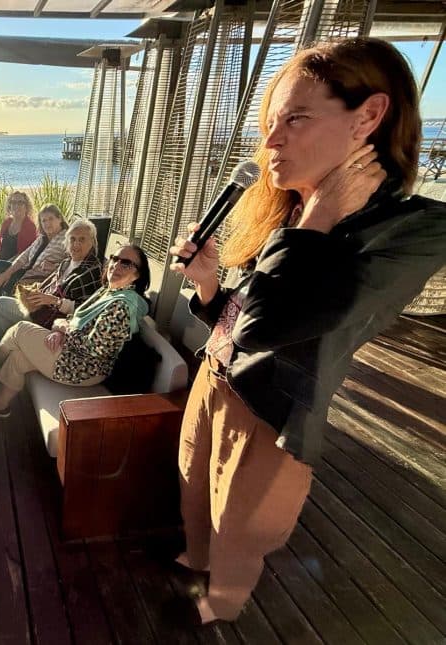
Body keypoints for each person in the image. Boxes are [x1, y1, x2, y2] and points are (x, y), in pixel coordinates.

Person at [167, 37, 446, 626]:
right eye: (270, 123)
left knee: (239, 526)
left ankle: (220, 606)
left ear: (368, 116)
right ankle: (195, 560)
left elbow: (268, 326)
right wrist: (210, 283)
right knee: (193, 482)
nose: (270, 141)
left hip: (269, 410)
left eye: (295, 119)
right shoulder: (288, 209)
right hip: (214, 374)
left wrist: (317, 219)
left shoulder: (411, 231)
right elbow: (241, 314)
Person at [0, 244, 150, 416]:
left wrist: (64, 329)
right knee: (17, 357)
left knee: (20, 330)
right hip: (72, 353)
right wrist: (59, 329)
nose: (116, 265)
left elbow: (95, 350)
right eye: (115, 259)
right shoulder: (109, 292)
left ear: (137, 275)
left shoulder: (121, 306)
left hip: (83, 367)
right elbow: (76, 319)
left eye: (126, 263)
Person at [0, 217, 103, 348]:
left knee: (0, 304)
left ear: (92, 242)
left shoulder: (92, 271)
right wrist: (37, 293)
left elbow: (86, 310)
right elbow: (49, 283)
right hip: (40, 308)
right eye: (72, 239)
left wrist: (55, 301)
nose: (76, 244)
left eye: (82, 239)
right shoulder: (66, 262)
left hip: (52, 321)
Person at [0, 203, 69, 319]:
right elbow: (24, 257)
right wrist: (7, 273)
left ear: (60, 218)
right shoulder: (42, 238)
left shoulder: (66, 239)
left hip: (35, 281)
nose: (47, 224)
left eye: (51, 219)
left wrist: (55, 267)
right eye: (44, 221)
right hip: (25, 272)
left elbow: (71, 265)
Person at [0, 191, 38, 262]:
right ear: (9, 206)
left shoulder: (30, 226)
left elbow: (23, 253)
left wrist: (5, 265)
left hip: (18, 265)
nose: (16, 206)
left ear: (26, 207)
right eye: (13, 202)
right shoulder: (6, 222)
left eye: (20, 203)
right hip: (0, 263)